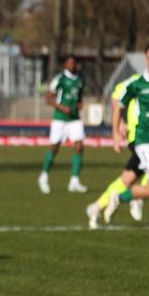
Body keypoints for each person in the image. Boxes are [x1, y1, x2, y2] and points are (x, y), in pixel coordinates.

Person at [104, 40, 149, 225]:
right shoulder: (137, 84)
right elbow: (118, 105)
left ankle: (120, 197)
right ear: (146, 60)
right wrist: (116, 133)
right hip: (145, 139)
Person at [85, 72, 146, 229]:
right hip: (140, 136)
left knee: (127, 179)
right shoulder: (138, 80)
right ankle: (136, 198)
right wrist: (122, 122)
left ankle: (97, 207)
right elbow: (116, 97)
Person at [38, 55, 87, 194]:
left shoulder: (80, 80)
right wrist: (61, 107)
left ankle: (74, 181)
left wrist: (80, 104)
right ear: (65, 64)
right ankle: (44, 176)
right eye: (69, 63)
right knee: (54, 148)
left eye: (74, 63)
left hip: (75, 119)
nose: (72, 65)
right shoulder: (59, 79)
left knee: (79, 146)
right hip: (60, 119)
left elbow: (79, 97)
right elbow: (48, 98)